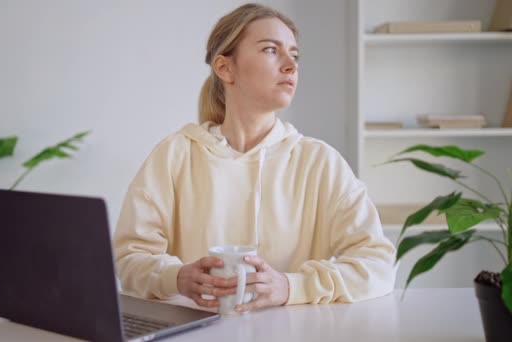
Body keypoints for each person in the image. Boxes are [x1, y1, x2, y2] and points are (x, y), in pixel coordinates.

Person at [113, 3, 396, 313]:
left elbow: (378, 264)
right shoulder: (174, 155)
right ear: (225, 68)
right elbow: (129, 256)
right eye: (271, 50)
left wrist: (291, 286)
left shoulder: (320, 163)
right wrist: (176, 277)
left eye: (295, 55)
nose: (291, 65)